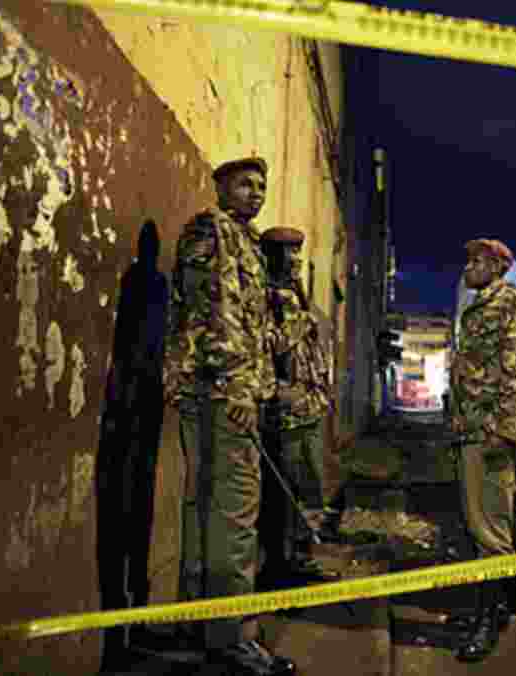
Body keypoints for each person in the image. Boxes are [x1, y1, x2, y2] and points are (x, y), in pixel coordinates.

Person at [162, 157, 295, 676]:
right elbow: (217, 316)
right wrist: (242, 389)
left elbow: (251, 325)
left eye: (262, 185)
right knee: (235, 516)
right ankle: (230, 638)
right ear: (220, 187)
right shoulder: (211, 232)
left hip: (219, 391)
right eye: (245, 183)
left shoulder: (245, 241)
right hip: (223, 393)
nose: (256, 192)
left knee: (207, 510)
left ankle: (197, 624)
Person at [448, 238, 516, 662]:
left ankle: (488, 620)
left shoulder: (510, 305)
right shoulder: (480, 304)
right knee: (476, 521)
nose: (468, 267)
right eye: (468, 260)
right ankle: (491, 608)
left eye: (477, 261)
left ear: (499, 267)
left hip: (488, 434)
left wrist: (505, 431)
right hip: (469, 428)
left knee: (490, 528)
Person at [96, 220, 168, 670]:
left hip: (136, 412)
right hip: (133, 412)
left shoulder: (148, 283)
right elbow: (140, 347)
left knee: (131, 520)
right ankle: (123, 631)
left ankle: (129, 626)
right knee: (127, 520)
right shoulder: (148, 284)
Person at [256, 226, 337, 589]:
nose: (295, 261)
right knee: (282, 493)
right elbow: (267, 346)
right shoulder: (264, 296)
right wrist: (301, 320)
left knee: (310, 487)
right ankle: (279, 562)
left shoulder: (295, 295)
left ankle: (301, 555)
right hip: (283, 411)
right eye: (287, 254)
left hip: (310, 407)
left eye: (297, 254)